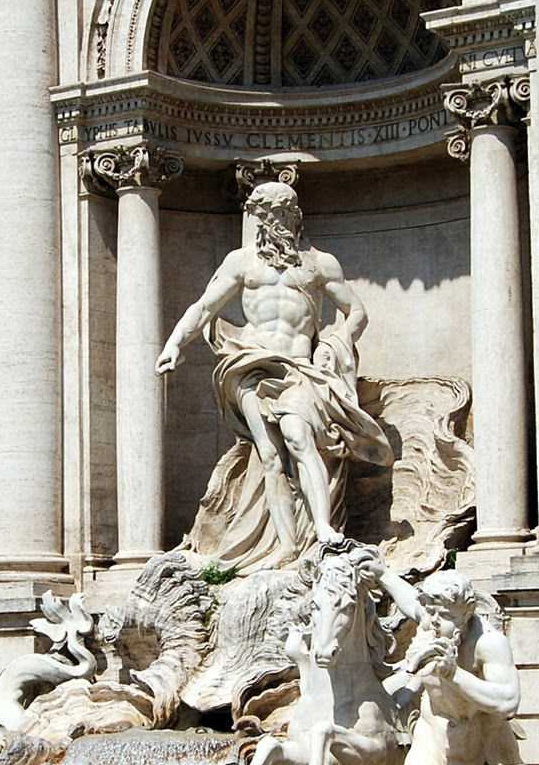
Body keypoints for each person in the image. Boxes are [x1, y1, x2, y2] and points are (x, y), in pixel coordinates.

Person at [157, 182, 393, 572]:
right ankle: (285, 546)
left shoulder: (319, 264)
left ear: (294, 216)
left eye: (278, 215)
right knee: (269, 455)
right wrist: (174, 345)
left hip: (298, 366)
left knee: (301, 439)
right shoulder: (241, 262)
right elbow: (202, 308)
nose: (271, 223)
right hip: (251, 363)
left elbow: (357, 312)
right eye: (264, 216)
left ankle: (322, 530)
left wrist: (335, 341)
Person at [378, 564, 523, 765]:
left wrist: (454, 674)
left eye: (444, 615)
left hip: (485, 743)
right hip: (432, 736)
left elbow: (508, 701)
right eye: (430, 611)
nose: (434, 620)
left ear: (466, 614)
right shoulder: (431, 624)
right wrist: (380, 572)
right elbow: (408, 599)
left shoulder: (489, 643)